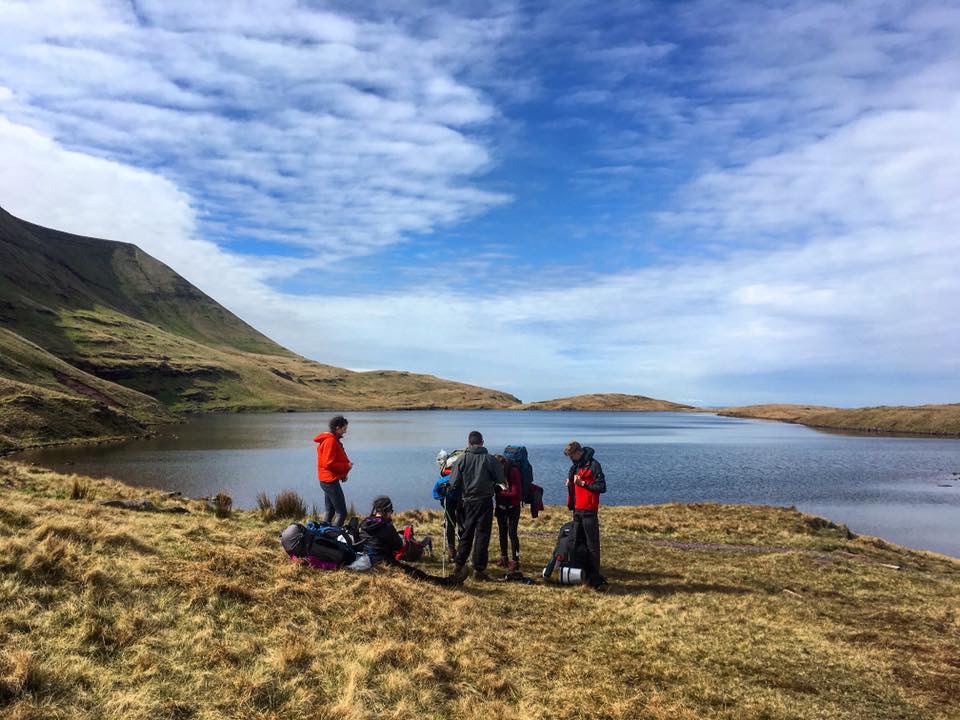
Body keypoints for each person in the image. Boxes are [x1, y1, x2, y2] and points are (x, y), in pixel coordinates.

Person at [360, 496, 459, 586]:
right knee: (417, 574)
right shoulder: (386, 527)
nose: (392, 513)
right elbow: (399, 546)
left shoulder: (364, 523)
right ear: (387, 511)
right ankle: (448, 582)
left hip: (367, 559)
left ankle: (449, 581)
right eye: (391, 511)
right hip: (384, 562)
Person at [448, 431, 505, 583]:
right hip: (485, 501)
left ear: (469, 443)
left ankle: (458, 566)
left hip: (468, 502)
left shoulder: (462, 459)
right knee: (482, 535)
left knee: (467, 534)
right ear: (482, 442)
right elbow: (500, 478)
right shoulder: (490, 459)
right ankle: (478, 570)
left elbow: (453, 483)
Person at [564, 440, 608, 590]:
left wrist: (584, 484)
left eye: (572, 456)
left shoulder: (594, 465)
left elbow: (602, 487)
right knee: (577, 542)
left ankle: (594, 577)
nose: (571, 459)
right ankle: (581, 573)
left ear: (578, 452)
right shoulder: (576, 466)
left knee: (592, 545)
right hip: (577, 510)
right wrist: (570, 484)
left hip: (589, 510)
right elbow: (574, 484)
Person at [313, 415, 352, 527]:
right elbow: (328, 463)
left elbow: (331, 462)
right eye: (344, 429)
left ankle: (323, 536)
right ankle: (334, 538)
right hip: (329, 481)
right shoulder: (330, 441)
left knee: (330, 512)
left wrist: (342, 474)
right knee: (342, 513)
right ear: (337, 428)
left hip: (327, 480)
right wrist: (346, 466)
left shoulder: (332, 440)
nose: (345, 432)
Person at [494, 454, 523, 571]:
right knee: (502, 532)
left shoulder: (513, 471)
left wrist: (500, 492)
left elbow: (516, 493)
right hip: (501, 507)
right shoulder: (496, 471)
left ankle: (515, 560)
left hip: (513, 507)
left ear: (503, 464)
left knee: (512, 533)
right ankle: (504, 557)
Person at [432, 449, 463, 561]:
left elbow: (435, 494)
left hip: (449, 501)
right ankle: (462, 550)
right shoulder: (458, 470)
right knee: (462, 524)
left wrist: (442, 497)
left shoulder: (444, 475)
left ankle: (452, 551)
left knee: (450, 525)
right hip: (462, 500)